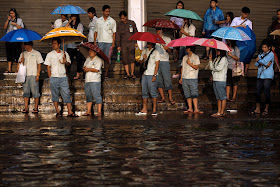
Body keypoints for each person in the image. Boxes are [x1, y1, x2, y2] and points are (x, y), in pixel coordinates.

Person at [44, 37, 78, 117]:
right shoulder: (50, 54)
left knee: (66, 94)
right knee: (55, 95)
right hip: (54, 77)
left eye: (55, 43)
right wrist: (50, 77)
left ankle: (70, 111)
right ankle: (57, 111)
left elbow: (68, 64)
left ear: (59, 44)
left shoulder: (65, 53)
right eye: (53, 43)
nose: (53, 45)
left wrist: (65, 61)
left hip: (63, 77)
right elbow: (48, 66)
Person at [18, 42, 43, 113]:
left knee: (35, 92)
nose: (25, 46)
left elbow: (39, 64)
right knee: (26, 92)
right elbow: (18, 67)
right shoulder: (23, 54)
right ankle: (26, 108)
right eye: (24, 45)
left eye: (26, 45)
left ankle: (36, 108)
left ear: (30, 45)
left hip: (33, 74)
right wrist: (21, 62)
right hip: (25, 75)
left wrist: (38, 74)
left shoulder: (36, 53)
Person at [136, 42, 160, 116]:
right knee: (144, 92)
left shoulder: (156, 52)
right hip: (145, 74)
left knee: (153, 92)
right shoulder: (144, 51)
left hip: (152, 73)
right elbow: (140, 63)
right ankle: (144, 109)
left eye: (149, 43)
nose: (148, 43)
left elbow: (157, 64)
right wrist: (143, 59)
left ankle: (154, 109)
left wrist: (154, 75)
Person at [253, 39, 274, 116]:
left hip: (268, 75)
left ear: (269, 47)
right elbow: (256, 64)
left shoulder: (271, 54)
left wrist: (259, 61)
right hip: (260, 75)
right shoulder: (260, 54)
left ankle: (266, 108)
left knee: (266, 91)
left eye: (265, 47)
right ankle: (257, 108)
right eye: (262, 47)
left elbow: (263, 62)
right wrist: (261, 62)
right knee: (257, 91)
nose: (263, 49)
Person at [94, 5, 117, 78]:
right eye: (106, 11)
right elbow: (95, 32)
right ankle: (99, 72)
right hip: (100, 41)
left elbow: (114, 33)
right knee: (99, 57)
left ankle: (106, 73)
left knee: (107, 58)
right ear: (102, 12)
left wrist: (113, 43)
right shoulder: (98, 20)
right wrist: (95, 42)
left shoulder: (112, 21)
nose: (108, 13)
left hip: (109, 42)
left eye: (109, 11)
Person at [179, 46, 203, 114]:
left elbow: (196, 67)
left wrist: (190, 63)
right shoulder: (185, 57)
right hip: (185, 77)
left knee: (194, 93)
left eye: (188, 48)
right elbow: (182, 67)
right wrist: (181, 77)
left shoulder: (196, 57)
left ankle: (196, 108)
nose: (186, 49)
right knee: (187, 93)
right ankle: (190, 108)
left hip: (192, 77)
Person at [155, 28, 175, 105]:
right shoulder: (154, 39)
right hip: (156, 61)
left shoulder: (167, 39)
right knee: (159, 80)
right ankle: (162, 97)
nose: (157, 31)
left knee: (167, 79)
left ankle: (170, 97)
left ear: (161, 30)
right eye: (156, 30)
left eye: (158, 30)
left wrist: (164, 46)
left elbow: (170, 50)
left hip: (165, 61)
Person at [231, 7, 253, 75]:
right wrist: (239, 26)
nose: (246, 15)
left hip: (244, 41)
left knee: (243, 56)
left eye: (247, 14)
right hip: (236, 40)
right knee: (236, 55)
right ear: (242, 13)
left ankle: (243, 71)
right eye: (245, 14)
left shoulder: (249, 22)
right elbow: (231, 27)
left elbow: (250, 32)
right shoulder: (236, 19)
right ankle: (235, 70)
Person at [116, 11, 138, 79]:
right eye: (121, 18)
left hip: (131, 42)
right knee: (125, 58)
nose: (122, 19)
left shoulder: (132, 23)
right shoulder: (119, 25)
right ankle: (127, 74)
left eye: (123, 18)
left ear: (126, 17)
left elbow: (135, 33)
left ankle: (132, 73)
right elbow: (118, 35)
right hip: (123, 43)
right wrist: (118, 45)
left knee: (132, 58)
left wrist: (135, 42)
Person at [82, 49, 103, 117]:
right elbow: (84, 67)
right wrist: (86, 69)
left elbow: (97, 69)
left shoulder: (98, 60)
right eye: (89, 51)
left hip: (95, 80)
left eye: (91, 51)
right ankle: (88, 111)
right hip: (88, 80)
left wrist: (88, 69)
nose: (89, 52)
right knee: (88, 95)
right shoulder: (88, 59)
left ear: (95, 52)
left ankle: (99, 111)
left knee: (97, 95)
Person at [3, 8, 24, 73]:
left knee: (17, 53)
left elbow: (21, 28)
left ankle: (18, 69)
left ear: (15, 13)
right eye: (10, 13)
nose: (11, 14)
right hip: (9, 38)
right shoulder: (8, 20)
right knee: (9, 53)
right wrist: (7, 20)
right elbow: (5, 27)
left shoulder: (19, 20)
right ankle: (9, 69)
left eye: (12, 13)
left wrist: (16, 24)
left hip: (17, 38)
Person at [209, 49, 228, 117]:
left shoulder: (224, 59)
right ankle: (218, 112)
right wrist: (210, 59)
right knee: (218, 97)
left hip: (221, 79)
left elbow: (218, 68)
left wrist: (213, 68)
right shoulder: (217, 58)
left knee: (222, 96)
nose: (217, 52)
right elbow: (211, 67)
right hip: (215, 79)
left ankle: (222, 112)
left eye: (218, 51)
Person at [65, 14, 85, 79]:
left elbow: (79, 34)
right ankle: (67, 74)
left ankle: (78, 74)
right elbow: (65, 29)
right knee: (69, 60)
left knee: (79, 59)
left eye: (73, 16)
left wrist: (72, 31)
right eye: (71, 17)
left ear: (76, 17)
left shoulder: (80, 25)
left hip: (77, 45)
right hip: (70, 45)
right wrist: (69, 21)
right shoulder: (70, 25)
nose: (72, 17)